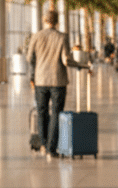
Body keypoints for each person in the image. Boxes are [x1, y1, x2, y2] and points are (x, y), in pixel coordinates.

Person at [26, 9, 81, 157]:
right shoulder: (62, 37)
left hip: (40, 80)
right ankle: (51, 148)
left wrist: (32, 76)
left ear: (44, 20)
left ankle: (43, 145)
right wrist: (80, 65)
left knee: (42, 112)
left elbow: (30, 57)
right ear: (57, 22)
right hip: (58, 81)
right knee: (56, 113)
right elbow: (66, 60)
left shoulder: (36, 36)